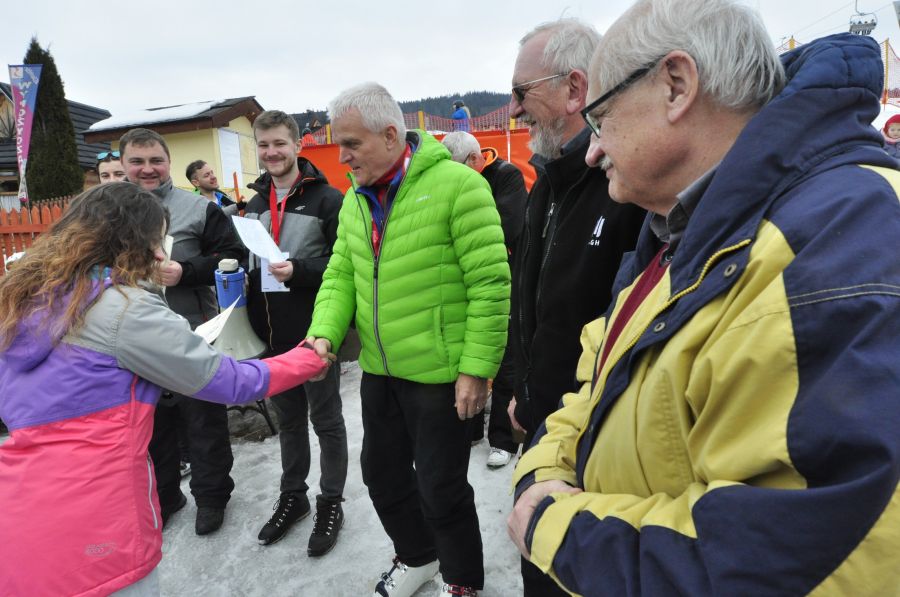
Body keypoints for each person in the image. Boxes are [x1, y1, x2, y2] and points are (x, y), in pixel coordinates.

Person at [507, 1, 900, 595]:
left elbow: (790, 557)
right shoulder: (686, 226)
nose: (591, 149)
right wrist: (543, 468)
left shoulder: (838, 239)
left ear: (676, 85)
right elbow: (598, 376)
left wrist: (553, 524)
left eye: (602, 117)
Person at [0, 183, 327, 597]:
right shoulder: (124, 309)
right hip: (97, 526)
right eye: (158, 241)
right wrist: (307, 359)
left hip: (18, 515)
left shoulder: (24, 302)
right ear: (137, 242)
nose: (161, 254)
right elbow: (226, 381)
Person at [306, 82, 509, 597]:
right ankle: (418, 557)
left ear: (392, 134)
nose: (342, 156)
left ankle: (462, 579)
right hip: (380, 371)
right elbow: (340, 276)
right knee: (382, 476)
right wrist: (323, 335)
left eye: (351, 144)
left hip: (442, 376)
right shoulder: (355, 199)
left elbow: (490, 283)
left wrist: (476, 368)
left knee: (442, 487)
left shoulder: (459, 187)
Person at [506, 18, 646, 596]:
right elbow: (530, 301)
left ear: (575, 89)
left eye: (521, 92)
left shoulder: (628, 188)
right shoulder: (546, 185)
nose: (513, 110)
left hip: (598, 447)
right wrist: (518, 390)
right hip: (543, 425)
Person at [119, 127, 246, 536]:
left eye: (155, 160)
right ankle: (167, 496)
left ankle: (212, 498)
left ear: (168, 162)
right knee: (151, 426)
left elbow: (233, 256)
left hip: (194, 332)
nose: (147, 169)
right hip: (133, 339)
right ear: (123, 165)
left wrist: (186, 271)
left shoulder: (198, 209)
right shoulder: (109, 212)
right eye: (137, 161)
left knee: (204, 421)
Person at [243, 109, 349, 555]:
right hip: (270, 338)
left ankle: (330, 501)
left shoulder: (329, 200)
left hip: (314, 335)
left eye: (279, 144)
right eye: (263, 145)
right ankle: (295, 497)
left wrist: (300, 271)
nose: (271, 153)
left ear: (297, 145)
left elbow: (348, 267)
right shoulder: (252, 204)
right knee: (289, 423)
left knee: (325, 422)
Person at [441, 131, 526, 468]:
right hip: (465, 284)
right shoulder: (455, 180)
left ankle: (502, 440)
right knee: (470, 358)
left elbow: (507, 227)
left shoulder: (506, 176)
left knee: (503, 361)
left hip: (502, 281)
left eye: (458, 166)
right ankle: (471, 427)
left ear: (474, 160)